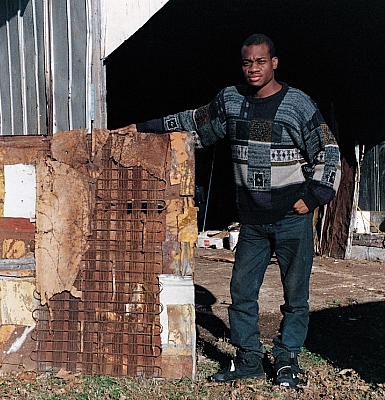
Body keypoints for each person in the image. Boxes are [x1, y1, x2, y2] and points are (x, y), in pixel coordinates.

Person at [112, 33, 341, 388]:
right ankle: (249, 357)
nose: (253, 68)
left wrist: (313, 197)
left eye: (260, 61)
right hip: (251, 221)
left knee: (295, 295)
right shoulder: (231, 101)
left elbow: (328, 151)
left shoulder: (297, 105)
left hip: (291, 219)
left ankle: (286, 359)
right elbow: (193, 122)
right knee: (241, 292)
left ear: (274, 63)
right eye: (247, 62)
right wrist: (143, 129)